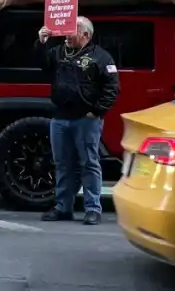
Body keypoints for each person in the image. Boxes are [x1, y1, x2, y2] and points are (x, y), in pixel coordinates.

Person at [36, 16, 119, 225]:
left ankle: (93, 209)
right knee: (62, 164)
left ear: (85, 35)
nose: (66, 35)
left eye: (72, 31)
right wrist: (41, 43)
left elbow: (112, 87)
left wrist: (97, 111)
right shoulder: (58, 52)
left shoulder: (101, 57)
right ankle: (63, 207)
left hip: (86, 120)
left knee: (89, 163)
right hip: (60, 118)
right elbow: (42, 65)